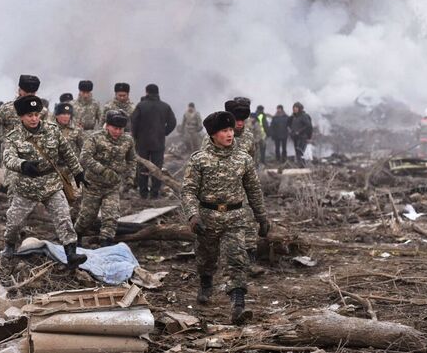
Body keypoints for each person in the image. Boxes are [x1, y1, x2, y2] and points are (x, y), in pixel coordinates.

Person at [182, 111, 269, 325]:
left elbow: (254, 190)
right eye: (224, 131)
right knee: (206, 258)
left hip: (236, 217)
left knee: (237, 259)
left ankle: (238, 305)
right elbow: (188, 191)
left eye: (231, 130)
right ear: (213, 134)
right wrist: (193, 215)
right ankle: (205, 282)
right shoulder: (199, 159)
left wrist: (262, 218)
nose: (230, 134)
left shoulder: (243, 159)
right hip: (207, 217)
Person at [2, 95, 89, 268]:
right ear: (21, 117)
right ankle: (9, 246)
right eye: (29, 115)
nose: (34, 119)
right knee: (14, 222)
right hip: (26, 188)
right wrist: (23, 165)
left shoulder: (52, 130)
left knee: (64, 217)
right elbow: (8, 158)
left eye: (36, 114)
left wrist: (78, 172)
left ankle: (71, 253)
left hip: (51, 185)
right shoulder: (13, 136)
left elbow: (67, 152)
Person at [75, 111, 136, 246]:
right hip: (93, 186)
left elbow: (131, 160)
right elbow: (84, 158)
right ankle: (76, 235)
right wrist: (103, 171)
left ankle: (105, 243)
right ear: (107, 126)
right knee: (87, 218)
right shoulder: (95, 138)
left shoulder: (128, 140)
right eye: (115, 128)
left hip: (112, 187)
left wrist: (130, 178)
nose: (118, 132)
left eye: (121, 129)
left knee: (111, 217)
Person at [0, 74, 41, 195]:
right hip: (11, 154)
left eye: (33, 93)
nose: (30, 95)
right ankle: (14, 213)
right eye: (27, 92)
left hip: (33, 154)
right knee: (13, 187)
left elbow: (51, 130)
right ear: (19, 90)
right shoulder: (8, 109)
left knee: (34, 189)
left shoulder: (40, 110)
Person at [131, 84, 177, 199]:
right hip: (158, 142)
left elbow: (134, 122)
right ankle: (154, 194)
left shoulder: (141, 106)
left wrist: (136, 137)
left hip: (142, 143)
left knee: (142, 168)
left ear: (146, 92)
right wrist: (164, 132)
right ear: (157, 93)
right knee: (157, 168)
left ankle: (143, 194)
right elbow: (173, 122)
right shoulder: (165, 107)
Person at [287, 102, 312, 167]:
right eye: (293, 108)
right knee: (297, 151)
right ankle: (300, 165)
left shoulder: (304, 116)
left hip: (303, 136)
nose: (294, 109)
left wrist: (300, 132)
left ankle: (302, 166)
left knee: (300, 151)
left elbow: (308, 126)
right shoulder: (293, 117)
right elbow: (289, 124)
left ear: (299, 108)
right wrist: (291, 131)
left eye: (296, 108)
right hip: (295, 137)